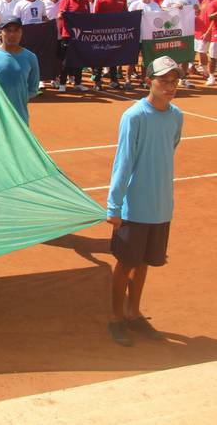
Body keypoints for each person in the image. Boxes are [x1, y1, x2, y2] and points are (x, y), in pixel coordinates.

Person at [105, 55, 183, 347]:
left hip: (161, 206)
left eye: (174, 81)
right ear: (150, 80)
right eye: (164, 80)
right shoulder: (134, 116)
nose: (170, 86)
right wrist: (114, 206)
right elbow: (122, 163)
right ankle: (116, 318)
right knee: (126, 264)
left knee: (146, 263)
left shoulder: (177, 116)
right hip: (133, 207)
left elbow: (171, 146)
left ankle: (133, 313)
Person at [0, 16, 40, 125]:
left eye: (16, 31)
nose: (12, 35)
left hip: (20, 119)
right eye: (8, 31)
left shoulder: (31, 57)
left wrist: (18, 97)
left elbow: (33, 89)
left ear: (21, 33)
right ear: (0, 33)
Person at [91, 0, 130, 89]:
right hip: (102, 33)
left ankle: (114, 80)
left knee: (114, 56)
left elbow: (125, 13)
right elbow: (96, 16)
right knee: (101, 56)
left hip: (116, 33)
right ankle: (97, 82)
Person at [161, 0, 200, 86]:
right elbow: (162, 8)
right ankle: (172, 77)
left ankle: (182, 78)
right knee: (174, 54)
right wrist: (174, 6)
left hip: (188, 30)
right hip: (174, 30)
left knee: (186, 55)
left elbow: (198, 12)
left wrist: (197, 9)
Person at [56, 0, 91, 92]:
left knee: (79, 59)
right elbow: (60, 16)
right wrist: (62, 15)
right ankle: (62, 83)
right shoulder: (65, 0)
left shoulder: (85, 1)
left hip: (81, 35)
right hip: (67, 34)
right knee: (65, 60)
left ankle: (78, 83)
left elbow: (88, 17)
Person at [200, 0, 217, 86]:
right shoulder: (213, 4)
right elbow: (210, 17)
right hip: (216, 33)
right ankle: (211, 76)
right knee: (213, 57)